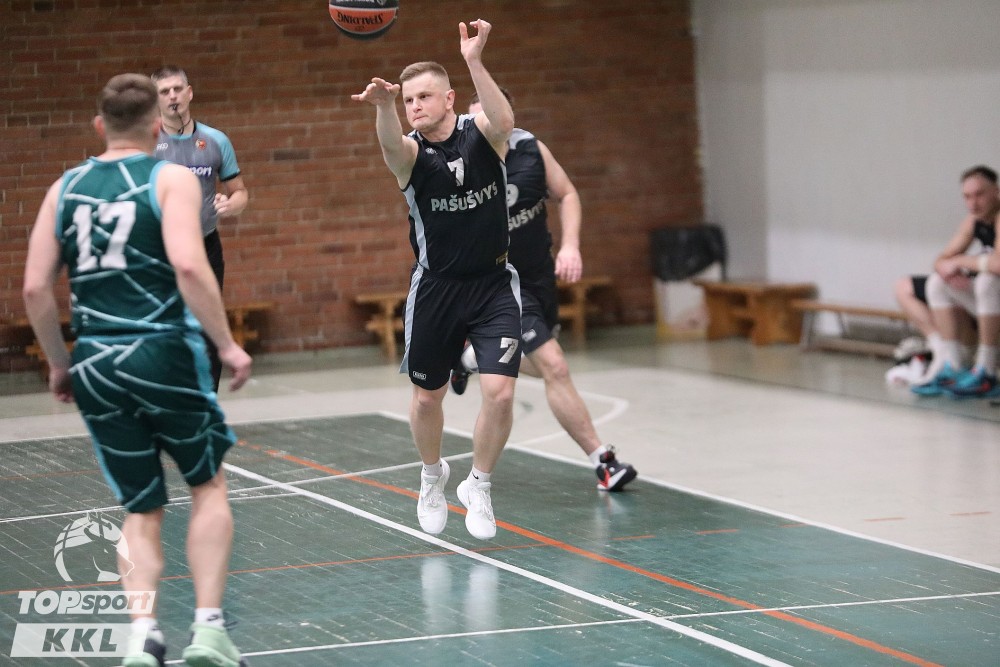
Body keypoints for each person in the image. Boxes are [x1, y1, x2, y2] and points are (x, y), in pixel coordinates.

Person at [22, 73, 252, 667]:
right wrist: (227, 345)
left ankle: (143, 636)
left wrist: (59, 364)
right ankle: (208, 630)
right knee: (207, 485)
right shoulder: (169, 177)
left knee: (141, 506)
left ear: (99, 126)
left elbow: (35, 289)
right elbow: (190, 267)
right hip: (162, 351)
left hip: (96, 359)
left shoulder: (64, 187)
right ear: (156, 127)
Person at [351, 20, 520, 540]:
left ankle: (479, 485)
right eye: (408, 100)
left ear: (449, 99)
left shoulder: (482, 135)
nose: (415, 107)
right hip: (436, 288)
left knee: (501, 394)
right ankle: (431, 476)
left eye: (424, 97)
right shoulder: (410, 153)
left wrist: (473, 60)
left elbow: (505, 119)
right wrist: (384, 107)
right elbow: (389, 145)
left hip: (493, 284)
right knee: (428, 398)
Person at [450, 89, 637, 492]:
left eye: (491, 115)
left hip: (538, 277)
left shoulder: (532, 149)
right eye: (475, 119)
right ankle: (603, 462)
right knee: (555, 365)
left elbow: (567, 194)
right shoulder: (462, 164)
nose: (483, 125)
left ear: (507, 117)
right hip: (500, 285)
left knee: (541, 362)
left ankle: (470, 357)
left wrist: (571, 245)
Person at [151, 66, 249, 392]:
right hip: (160, 249)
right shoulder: (147, 143)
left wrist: (232, 204)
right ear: (155, 100)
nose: (173, 96)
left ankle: (206, 400)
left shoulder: (216, 140)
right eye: (164, 91)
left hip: (205, 245)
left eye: (177, 89)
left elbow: (240, 192)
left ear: (189, 93)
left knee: (208, 325)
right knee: (164, 325)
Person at [911, 165, 1000, 398]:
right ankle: (953, 365)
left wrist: (960, 261)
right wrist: (951, 268)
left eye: (979, 195)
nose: (973, 203)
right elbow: (941, 261)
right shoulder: (974, 221)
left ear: (996, 192)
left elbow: (998, 264)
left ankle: (988, 370)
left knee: (987, 282)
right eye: (967, 197)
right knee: (938, 283)